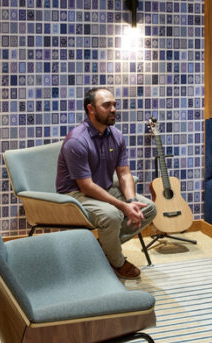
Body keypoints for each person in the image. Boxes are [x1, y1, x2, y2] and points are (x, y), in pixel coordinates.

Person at [56, 87, 156, 279]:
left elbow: (124, 172)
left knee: (148, 208)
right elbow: (86, 186)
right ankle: (117, 261)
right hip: (75, 194)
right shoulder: (77, 140)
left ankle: (101, 250)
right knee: (112, 216)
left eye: (114, 105)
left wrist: (131, 200)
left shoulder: (116, 135)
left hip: (104, 188)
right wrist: (122, 206)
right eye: (107, 105)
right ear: (91, 109)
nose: (113, 109)